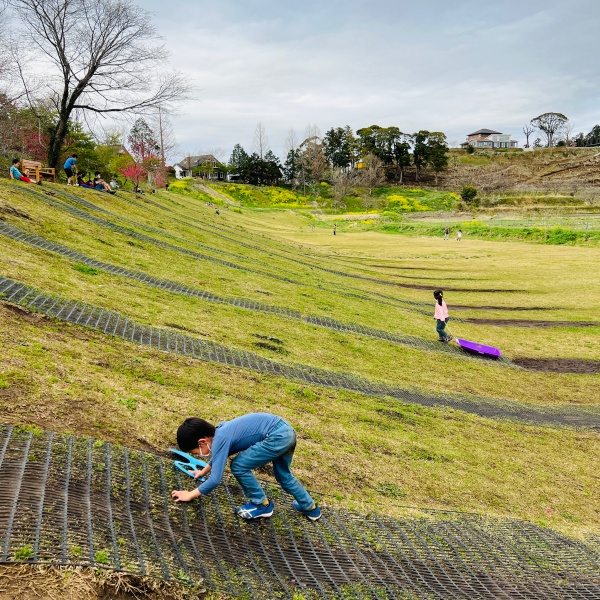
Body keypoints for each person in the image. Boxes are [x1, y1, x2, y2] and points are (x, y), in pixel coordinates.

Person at [171, 413, 322, 521]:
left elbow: (216, 480)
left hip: (276, 436)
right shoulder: (221, 432)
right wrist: (202, 472)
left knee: (238, 465)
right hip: (285, 431)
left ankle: (261, 505)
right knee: (283, 475)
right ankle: (310, 508)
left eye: (196, 452)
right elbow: (219, 456)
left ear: (202, 441)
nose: (198, 455)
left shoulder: (221, 438)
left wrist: (190, 494)